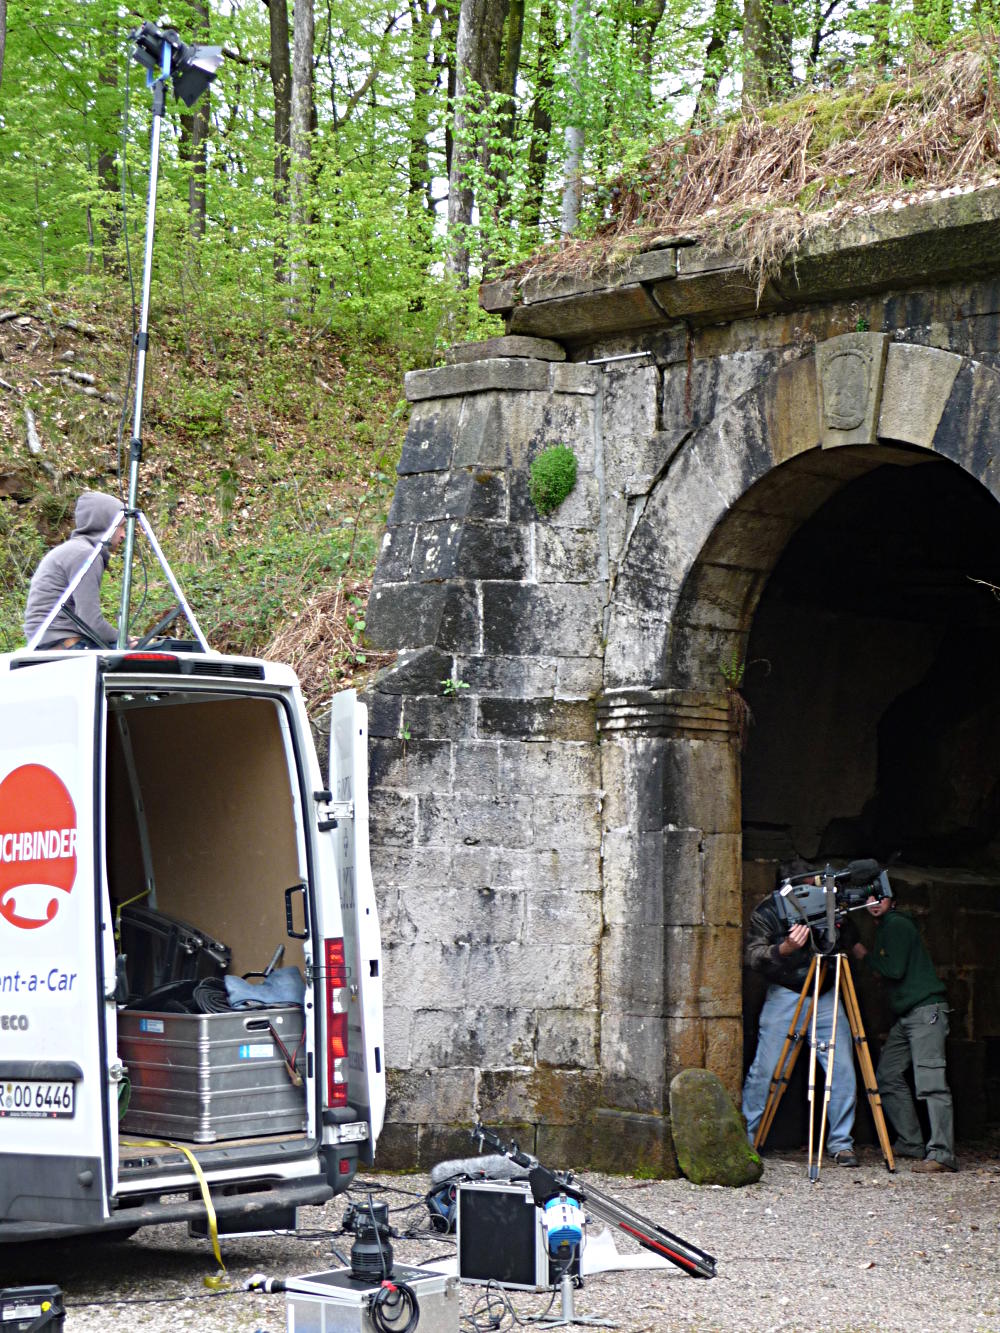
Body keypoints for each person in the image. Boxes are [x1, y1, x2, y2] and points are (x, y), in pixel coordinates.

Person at [741, 870, 859, 1166]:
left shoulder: (830, 903)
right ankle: (747, 1140)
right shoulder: (769, 910)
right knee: (766, 1070)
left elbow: (850, 938)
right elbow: (753, 957)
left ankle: (842, 1143)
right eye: (808, 884)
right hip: (786, 992)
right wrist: (786, 949)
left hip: (826, 991)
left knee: (841, 1067)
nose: (815, 888)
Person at [852, 891, 956, 1173]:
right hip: (909, 1015)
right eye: (869, 898)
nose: (874, 903)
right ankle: (911, 1142)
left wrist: (864, 955)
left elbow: (893, 970)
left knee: (931, 1083)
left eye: (881, 897)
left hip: (925, 1011)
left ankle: (942, 1153)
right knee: (886, 1076)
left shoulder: (897, 924)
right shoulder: (887, 927)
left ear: (892, 901)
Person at [24, 491, 127, 649]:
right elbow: (90, 621)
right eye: (121, 527)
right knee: (144, 656)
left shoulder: (75, 549)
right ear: (105, 524)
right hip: (62, 641)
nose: (123, 535)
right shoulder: (86, 555)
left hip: (46, 640)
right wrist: (125, 640)